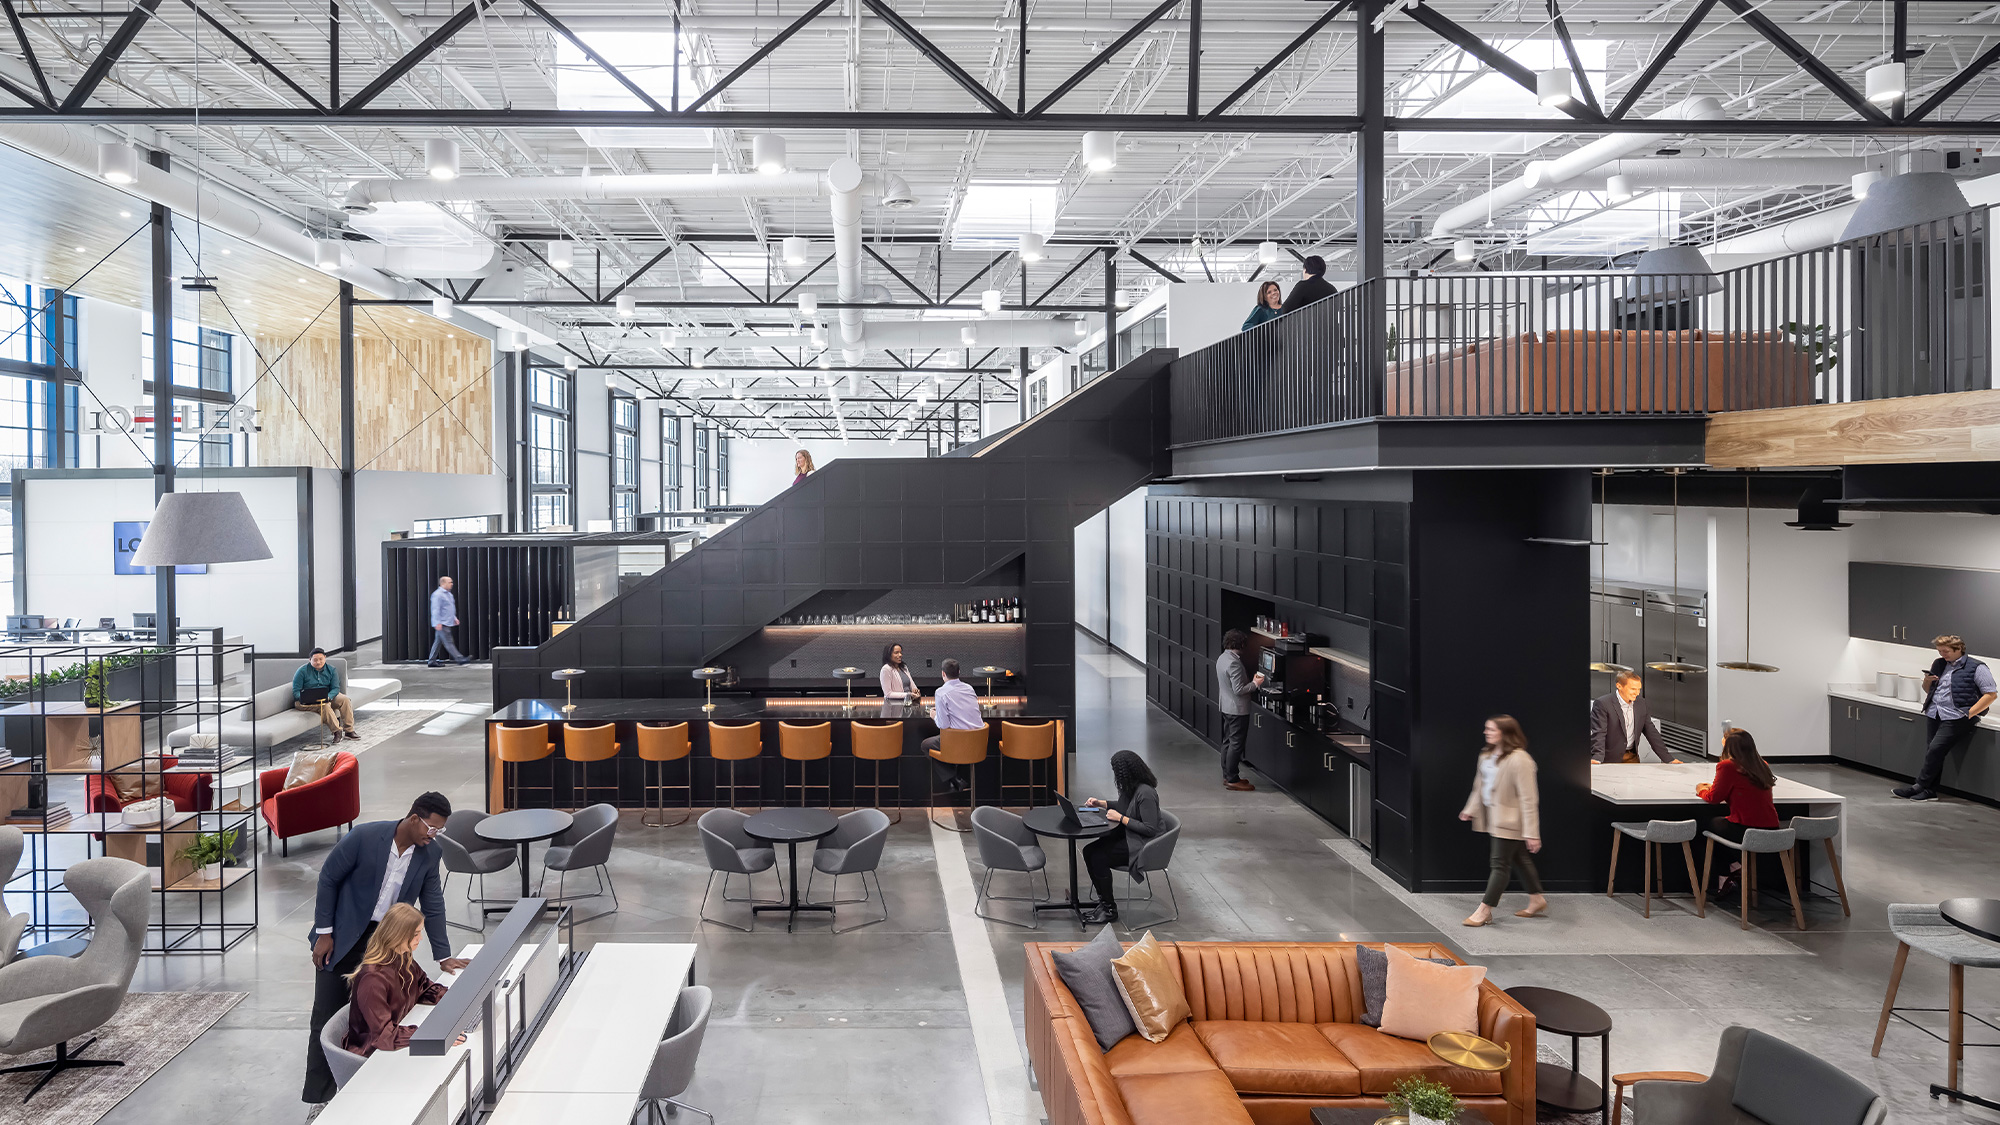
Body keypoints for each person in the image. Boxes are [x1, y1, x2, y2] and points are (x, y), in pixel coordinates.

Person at [302, 792, 469, 1108]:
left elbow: (433, 903)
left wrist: (443, 955)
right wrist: (324, 933)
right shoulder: (365, 837)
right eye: (432, 828)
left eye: (440, 831)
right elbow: (328, 879)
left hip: (384, 939)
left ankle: (373, 1089)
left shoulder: (429, 854)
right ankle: (320, 1100)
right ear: (414, 818)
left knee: (383, 1012)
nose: (434, 836)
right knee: (325, 1016)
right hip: (341, 936)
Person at [1458, 715, 1546, 927]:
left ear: (1506, 733)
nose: (1486, 733)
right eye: (1486, 729)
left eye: (1491, 730)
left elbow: (1529, 798)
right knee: (1519, 859)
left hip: (1511, 822)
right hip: (1494, 818)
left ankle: (1484, 911)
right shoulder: (1486, 755)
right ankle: (1536, 899)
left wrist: (1532, 832)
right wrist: (1470, 809)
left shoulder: (1520, 760)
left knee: (1499, 865)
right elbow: (1479, 786)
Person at [1896, 634, 1997, 802]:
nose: (1942, 654)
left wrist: (1969, 713)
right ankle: (1929, 792)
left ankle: (1919, 786)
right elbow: (1929, 690)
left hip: (1957, 717)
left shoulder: (1977, 667)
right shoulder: (1939, 664)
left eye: (1946, 651)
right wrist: (1927, 681)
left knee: (1935, 749)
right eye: (1940, 651)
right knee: (1933, 752)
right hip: (1935, 712)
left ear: (1959, 649)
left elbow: (1991, 695)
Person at [342, 903, 451, 1058]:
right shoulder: (373, 979)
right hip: (371, 1055)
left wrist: (456, 999)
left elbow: (424, 987)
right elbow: (384, 1035)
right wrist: (433, 1033)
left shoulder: (402, 957)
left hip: (394, 1042)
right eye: (415, 934)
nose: (420, 938)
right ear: (397, 934)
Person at [1080, 750, 1163, 925]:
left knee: (1098, 857)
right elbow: (1126, 806)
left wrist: (1121, 818)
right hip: (1129, 836)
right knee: (1089, 851)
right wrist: (1101, 803)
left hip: (1142, 844)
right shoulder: (1132, 788)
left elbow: (1150, 829)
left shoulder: (1146, 793)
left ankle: (1110, 910)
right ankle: (1104, 902)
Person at [1696, 727, 1779, 895]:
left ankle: (1730, 870)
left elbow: (1714, 798)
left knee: (1706, 825)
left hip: (1746, 829)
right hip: (1773, 830)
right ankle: (1729, 872)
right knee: (1719, 827)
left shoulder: (1727, 766)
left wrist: (1700, 790)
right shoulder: (1762, 765)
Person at [921, 659, 984, 792]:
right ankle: (956, 780)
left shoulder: (941, 692)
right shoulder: (969, 688)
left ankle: (954, 778)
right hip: (978, 742)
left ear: (943, 674)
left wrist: (934, 715)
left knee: (926, 745)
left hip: (957, 742)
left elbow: (943, 725)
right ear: (959, 672)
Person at [1215, 630, 1265, 792]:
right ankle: (1232, 778)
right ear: (1241, 644)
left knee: (1228, 741)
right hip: (1237, 709)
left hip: (1226, 706)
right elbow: (1239, 689)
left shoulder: (1223, 658)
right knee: (1236, 744)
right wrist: (1256, 683)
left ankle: (1227, 774)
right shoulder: (1234, 663)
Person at [1590, 670, 1672, 764]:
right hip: (1608, 758)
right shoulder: (1603, 704)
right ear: (1619, 686)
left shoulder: (1641, 703)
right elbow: (1599, 733)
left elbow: (1651, 732)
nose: (1637, 693)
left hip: (1631, 757)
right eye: (1633, 689)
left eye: (1639, 689)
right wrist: (1597, 757)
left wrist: (1669, 759)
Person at [295, 647, 359, 744]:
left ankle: (349, 731)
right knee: (324, 705)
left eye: (321, 659)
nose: (318, 662)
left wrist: (328, 697)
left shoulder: (331, 670)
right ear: (310, 660)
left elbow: (335, 688)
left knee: (344, 699)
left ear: (325, 658)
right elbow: (296, 692)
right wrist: (307, 698)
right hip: (306, 701)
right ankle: (337, 731)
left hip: (327, 696)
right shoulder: (301, 671)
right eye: (315, 660)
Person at [428, 575, 469, 668]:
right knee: (449, 641)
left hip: (446, 621)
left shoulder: (449, 594)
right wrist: (437, 622)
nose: (452, 584)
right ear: (443, 583)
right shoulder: (437, 594)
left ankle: (431, 660)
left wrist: (454, 618)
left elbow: (449, 608)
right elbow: (435, 609)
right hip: (442, 622)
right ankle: (459, 659)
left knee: (438, 642)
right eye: (449, 582)